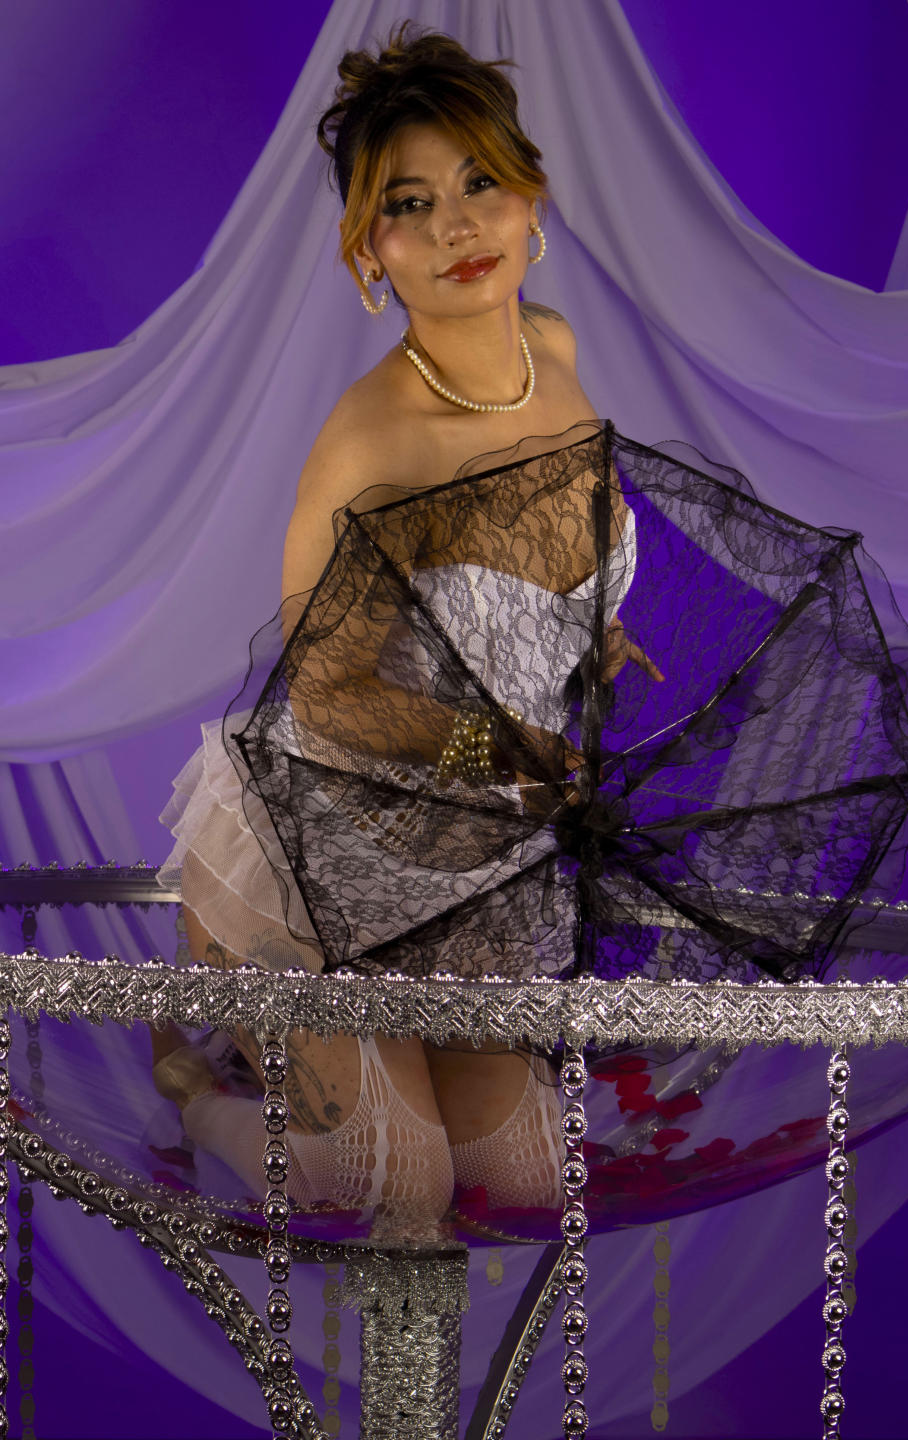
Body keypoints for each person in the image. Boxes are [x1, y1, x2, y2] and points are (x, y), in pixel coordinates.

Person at [153, 24, 658, 1239]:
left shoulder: (552, 350)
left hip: (473, 851)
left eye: (480, 181)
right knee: (399, 1187)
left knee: (529, 1185)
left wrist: (595, 640)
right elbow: (327, 698)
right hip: (321, 843)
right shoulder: (373, 446)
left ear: (531, 196)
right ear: (369, 251)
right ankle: (194, 1094)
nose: (456, 228)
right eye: (409, 205)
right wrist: (507, 751)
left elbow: (552, 570)